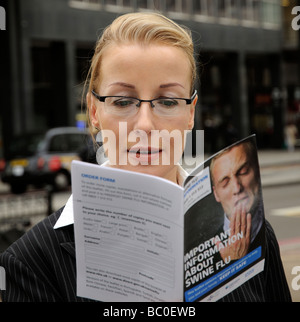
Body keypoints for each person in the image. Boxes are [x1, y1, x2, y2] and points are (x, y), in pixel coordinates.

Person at [0, 12, 291, 302]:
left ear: (190, 113)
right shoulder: (32, 261)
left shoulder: (253, 237)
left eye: (167, 101)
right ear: (94, 111)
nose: (145, 125)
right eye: (123, 101)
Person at [210, 139, 264, 262]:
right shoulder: (208, 251)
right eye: (225, 182)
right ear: (216, 194)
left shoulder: (267, 231)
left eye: (243, 172)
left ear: (256, 172)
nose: (237, 188)